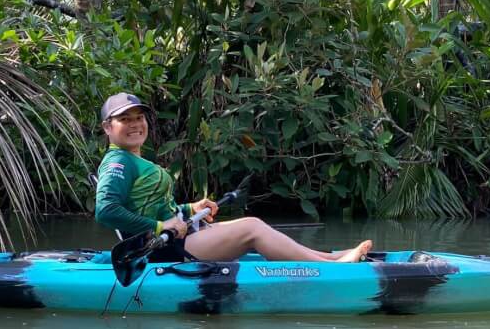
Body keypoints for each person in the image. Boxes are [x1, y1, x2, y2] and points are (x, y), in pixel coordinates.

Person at [94, 92, 372, 263]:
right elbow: (106, 211)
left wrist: (190, 209)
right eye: (125, 119)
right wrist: (158, 227)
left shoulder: (135, 159)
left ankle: (331, 258)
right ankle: (330, 267)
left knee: (252, 223)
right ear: (108, 127)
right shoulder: (118, 162)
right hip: (157, 248)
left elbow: (156, 208)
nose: (135, 124)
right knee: (251, 228)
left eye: (138, 117)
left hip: (175, 237)